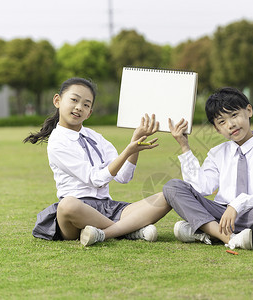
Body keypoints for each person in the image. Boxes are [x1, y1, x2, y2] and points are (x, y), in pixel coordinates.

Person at [24, 77, 171, 246]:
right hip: (77, 213)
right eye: (74, 100)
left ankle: (105, 232)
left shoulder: (96, 137)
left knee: (166, 197)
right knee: (67, 205)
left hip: (107, 207)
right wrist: (127, 151)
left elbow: (124, 177)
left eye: (86, 104)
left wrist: (136, 142)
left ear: (90, 112)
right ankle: (130, 231)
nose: (79, 107)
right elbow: (95, 179)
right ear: (57, 100)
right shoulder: (57, 142)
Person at [163, 87, 253, 250]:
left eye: (234, 115)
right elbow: (201, 188)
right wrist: (184, 146)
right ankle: (229, 237)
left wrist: (236, 205)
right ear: (217, 128)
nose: (231, 125)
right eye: (222, 121)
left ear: (249, 110)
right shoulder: (217, 153)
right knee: (173, 187)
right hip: (220, 213)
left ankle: (206, 230)